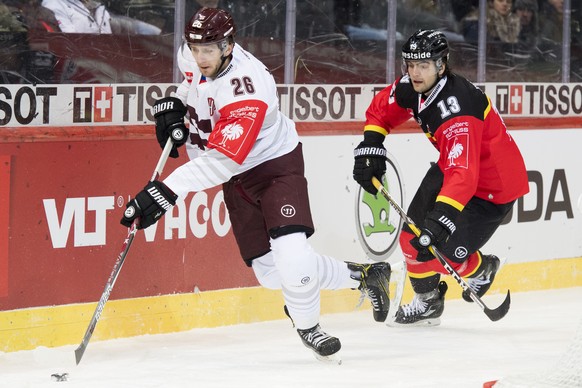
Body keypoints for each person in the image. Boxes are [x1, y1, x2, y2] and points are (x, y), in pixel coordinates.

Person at [121, 7, 391, 361]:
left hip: (274, 166)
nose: (200, 57)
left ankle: (308, 326)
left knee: (292, 256)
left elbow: (221, 162)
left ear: (229, 46)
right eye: (195, 48)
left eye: (209, 50)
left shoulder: (248, 89)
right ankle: (366, 275)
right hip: (236, 175)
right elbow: (191, 82)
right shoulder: (194, 54)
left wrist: (167, 190)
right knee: (268, 272)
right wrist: (177, 105)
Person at [352, 29, 529, 326]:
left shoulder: (458, 109)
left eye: (423, 65)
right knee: (411, 240)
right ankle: (429, 303)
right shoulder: (415, 85)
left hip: (493, 188)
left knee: (436, 253)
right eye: (410, 64)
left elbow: (465, 174)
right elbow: (382, 108)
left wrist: (441, 217)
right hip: (455, 168)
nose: (415, 72)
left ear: (441, 65)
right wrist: (372, 144)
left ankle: (481, 268)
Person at [41, 0, 112, 33]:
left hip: (104, 55)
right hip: (80, 58)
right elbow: (70, 38)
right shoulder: (53, 3)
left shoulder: (99, 7)